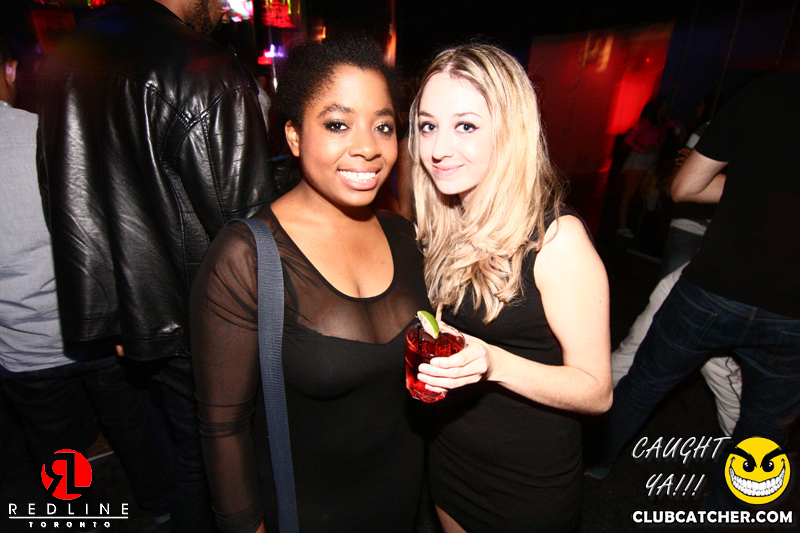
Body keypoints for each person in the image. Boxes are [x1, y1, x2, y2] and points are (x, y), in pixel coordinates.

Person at [35, 1, 275, 530]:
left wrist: (117, 314)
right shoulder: (201, 66)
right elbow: (248, 225)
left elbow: (63, 196)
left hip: (142, 318)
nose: (227, 7)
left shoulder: (68, 56)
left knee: (191, 449)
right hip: (209, 319)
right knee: (220, 461)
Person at [190, 37, 428, 533]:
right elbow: (222, 427)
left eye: (383, 126)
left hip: (404, 500)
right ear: (295, 137)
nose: (367, 147)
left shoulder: (405, 237)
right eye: (338, 124)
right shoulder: (246, 258)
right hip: (305, 513)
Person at [409, 44, 612, 533]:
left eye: (466, 126)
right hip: (450, 460)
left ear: (510, 130)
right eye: (428, 126)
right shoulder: (444, 221)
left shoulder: (556, 240)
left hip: (524, 484)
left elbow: (597, 392)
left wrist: (494, 363)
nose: (438, 149)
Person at [588, 68, 800, 511]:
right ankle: (731, 511)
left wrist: (753, 187)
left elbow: (684, 187)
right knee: (765, 427)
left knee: (646, 380)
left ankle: (595, 463)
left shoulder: (766, 91)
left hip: (715, 287)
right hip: (793, 312)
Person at [0, 35, 171, 526]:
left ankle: (77, 516)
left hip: (20, 347)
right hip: (97, 330)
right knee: (136, 428)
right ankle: (163, 511)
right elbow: (113, 229)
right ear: (9, 71)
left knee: (57, 447)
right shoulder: (48, 135)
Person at [617, 99, 679, 238]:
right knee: (629, 194)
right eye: (664, 105)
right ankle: (622, 226)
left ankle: (639, 224)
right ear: (658, 108)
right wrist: (642, 149)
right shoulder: (646, 122)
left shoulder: (663, 123)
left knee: (646, 191)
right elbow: (628, 139)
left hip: (651, 160)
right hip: (639, 159)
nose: (666, 107)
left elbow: (677, 126)